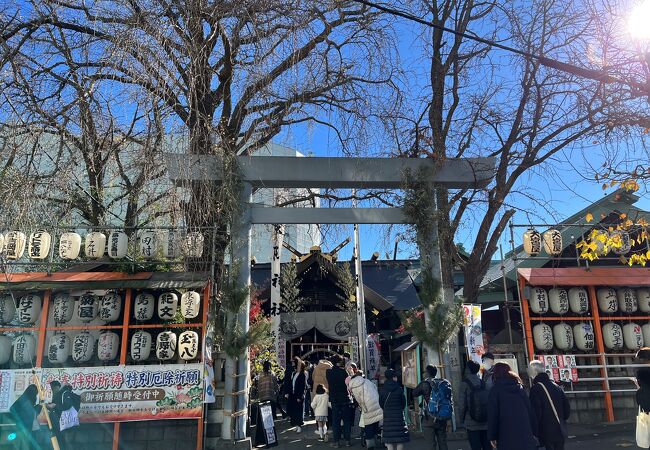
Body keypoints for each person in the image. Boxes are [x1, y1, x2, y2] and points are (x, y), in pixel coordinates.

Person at [487, 362, 537, 450]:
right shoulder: (520, 388)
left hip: (505, 435)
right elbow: (530, 411)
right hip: (525, 434)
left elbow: (493, 415)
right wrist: (534, 432)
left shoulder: (495, 391)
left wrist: (492, 436)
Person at [528, 360, 571, 450]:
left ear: (534, 372)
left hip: (546, 431)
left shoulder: (536, 389)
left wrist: (534, 431)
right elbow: (567, 409)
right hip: (560, 429)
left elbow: (536, 413)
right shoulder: (556, 386)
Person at [412, 365, 450, 450]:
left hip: (428, 417)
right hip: (441, 416)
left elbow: (414, 393)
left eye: (425, 372)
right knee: (443, 442)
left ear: (427, 373)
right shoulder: (443, 382)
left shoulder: (424, 384)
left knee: (431, 444)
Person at [458, 360, 490, 450]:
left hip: (471, 422)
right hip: (485, 421)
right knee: (487, 446)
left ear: (467, 369)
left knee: (475, 447)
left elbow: (462, 404)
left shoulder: (464, 384)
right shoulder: (483, 383)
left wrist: (461, 419)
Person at [348, 368, 383, 450]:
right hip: (376, 403)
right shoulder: (366, 381)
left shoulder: (353, 386)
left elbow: (358, 400)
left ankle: (371, 445)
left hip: (367, 407)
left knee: (368, 426)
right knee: (375, 422)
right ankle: (377, 441)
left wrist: (361, 407)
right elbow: (375, 388)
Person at [326, 354, 353, 448]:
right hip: (344, 398)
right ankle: (347, 441)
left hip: (334, 398)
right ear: (339, 362)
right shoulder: (344, 372)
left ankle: (336, 442)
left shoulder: (328, 372)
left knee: (335, 421)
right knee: (346, 420)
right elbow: (348, 384)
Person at [380, 368, 409, 450]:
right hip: (399, 416)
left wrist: (387, 409)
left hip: (388, 416)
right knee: (400, 439)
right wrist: (399, 409)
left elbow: (381, 403)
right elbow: (403, 402)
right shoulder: (399, 389)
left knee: (389, 440)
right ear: (393, 377)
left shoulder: (382, 389)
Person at [10, 384, 41, 450]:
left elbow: (12, 409)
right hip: (26, 426)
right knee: (25, 444)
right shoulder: (26, 400)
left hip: (22, 425)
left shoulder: (23, 398)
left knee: (20, 444)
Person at [284, 356, 307, 432]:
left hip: (298, 395)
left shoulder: (302, 375)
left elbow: (302, 387)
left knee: (298, 411)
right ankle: (296, 425)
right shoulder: (294, 374)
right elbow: (291, 384)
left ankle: (299, 425)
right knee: (294, 411)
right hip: (293, 394)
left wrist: (299, 396)